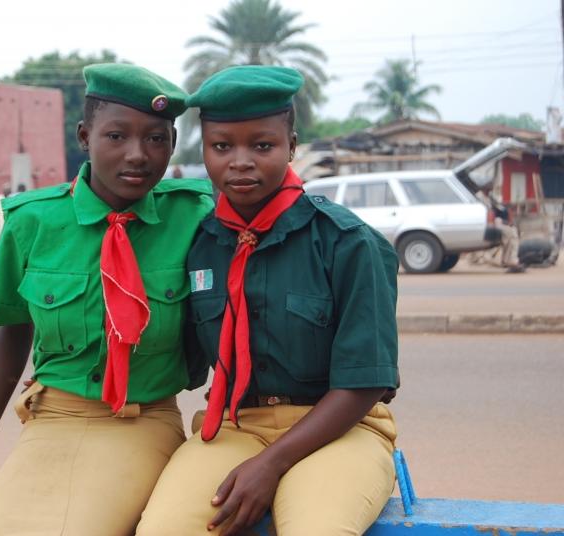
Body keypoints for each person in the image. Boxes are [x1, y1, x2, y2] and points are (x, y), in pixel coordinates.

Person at [0, 63, 214, 536]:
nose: (138, 155)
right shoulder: (32, 222)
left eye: (157, 139)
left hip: (143, 421)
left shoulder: (195, 217)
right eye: (117, 136)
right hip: (53, 419)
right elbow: (14, 330)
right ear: (85, 136)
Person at [137, 66, 400, 535]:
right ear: (205, 150)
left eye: (263, 145)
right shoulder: (202, 245)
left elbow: (365, 384)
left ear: (292, 146)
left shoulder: (348, 242)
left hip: (341, 430)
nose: (240, 161)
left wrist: (271, 464)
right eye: (222, 146)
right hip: (237, 426)